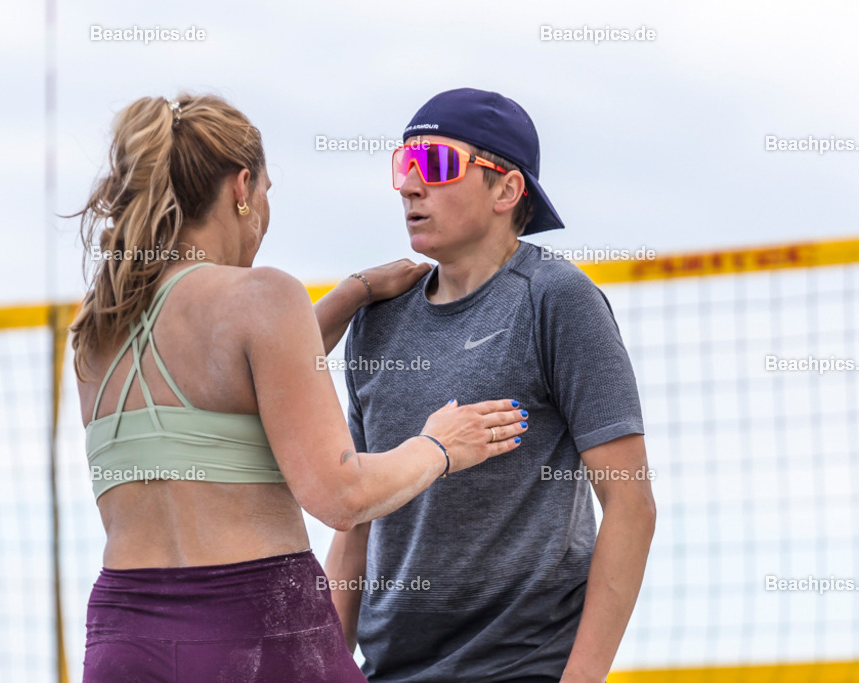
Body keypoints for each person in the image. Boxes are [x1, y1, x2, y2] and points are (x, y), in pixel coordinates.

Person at [68, 93, 528, 682]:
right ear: (241, 188)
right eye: (265, 191)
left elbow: (227, 389)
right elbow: (342, 496)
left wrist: (351, 293)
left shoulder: (98, 327)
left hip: (124, 638)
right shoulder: (262, 295)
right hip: (257, 626)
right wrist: (440, 445)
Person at [325, 88, 657, 683]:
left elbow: (631, 505)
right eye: (404, 164)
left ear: (507, 189)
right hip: (387, 671)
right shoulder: (377, 320)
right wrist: (319, 666)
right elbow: (356, 519)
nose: (408, 185)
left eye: (436, 164)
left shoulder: (557, 299)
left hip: (521, 665)